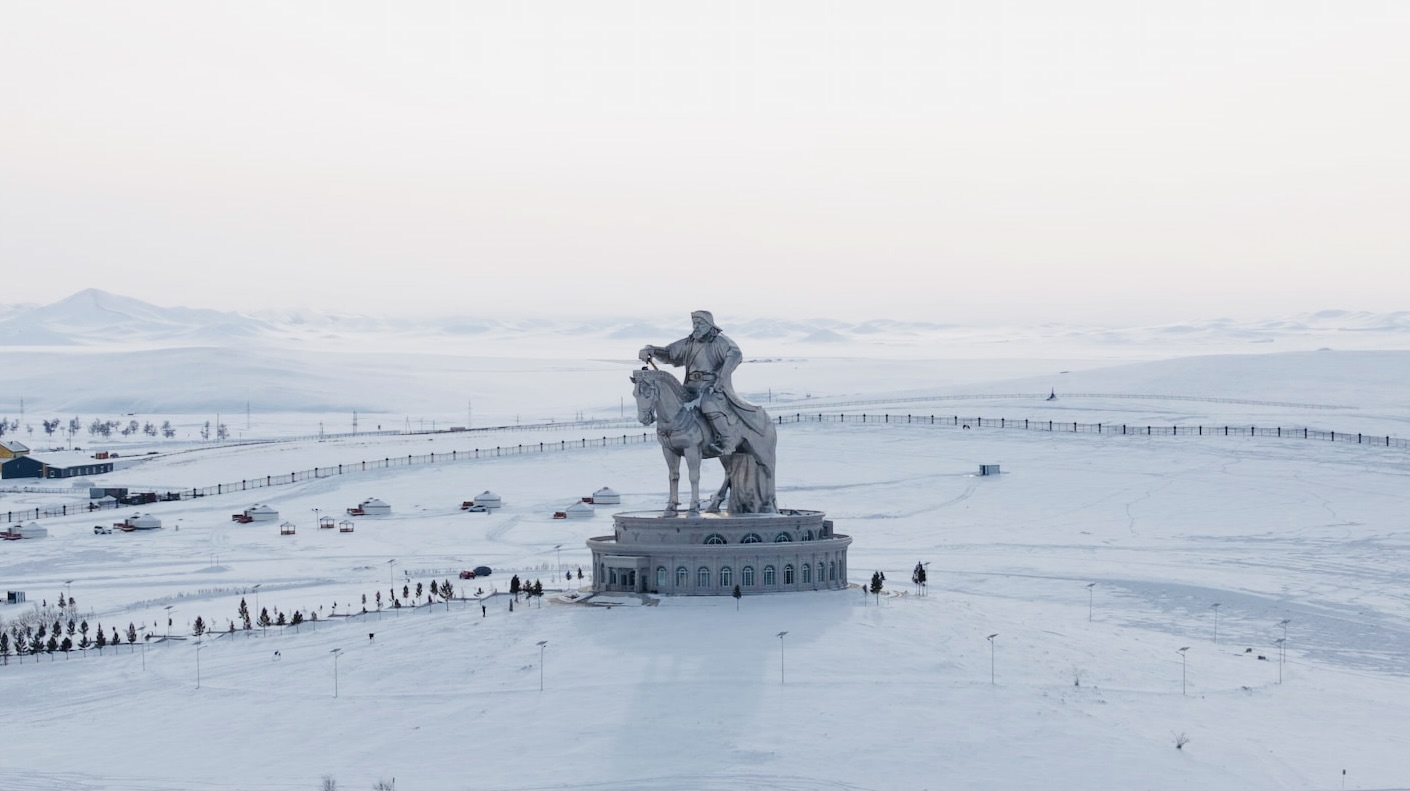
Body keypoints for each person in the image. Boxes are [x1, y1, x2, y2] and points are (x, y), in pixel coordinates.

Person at [639, 310, 768, 456]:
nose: (696, 327)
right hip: (689, 387)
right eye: (694, 323)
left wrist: (722, 376)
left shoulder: (720, 341)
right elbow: (669, 353)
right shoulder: (689, 342)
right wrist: (651, 350)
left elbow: (735, 354)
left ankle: (727, 441)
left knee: (708, 404)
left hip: (712, 386)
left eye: (699, 323)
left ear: (709, 324)